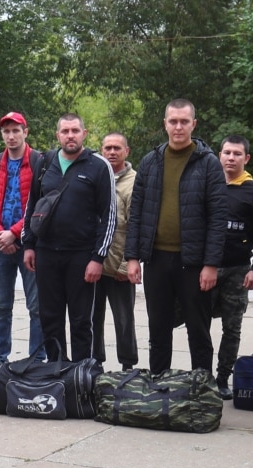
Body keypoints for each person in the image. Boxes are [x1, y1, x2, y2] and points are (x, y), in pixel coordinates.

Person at [125, 98, 227, 374]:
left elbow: (218, 218)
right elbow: (137, 213)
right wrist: (132, 257)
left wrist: (211, 264)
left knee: (198, 331)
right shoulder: (150, 162)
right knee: (158, 330)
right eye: (173, 121)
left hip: (194, 263)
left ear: (194, 124)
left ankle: (201, 390)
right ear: (165, 124)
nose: (178, 127)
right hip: (157, 260)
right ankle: (158, 388)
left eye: (184, 121)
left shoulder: (208, 164)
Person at [23, 113, 115, 362]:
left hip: (82, 256)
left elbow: (109, 216)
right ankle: (57, 371)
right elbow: (32, 205)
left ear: (84, 134)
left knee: (81, 320)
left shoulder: (98, 165)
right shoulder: (44, 162)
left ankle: (81, 375)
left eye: (75, 130)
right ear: (58, 135)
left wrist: (98, 257)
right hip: (46, 253)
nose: (70, 135)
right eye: (65, 131)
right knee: (50, 318)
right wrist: (29, 244)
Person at [0, 112, 45, 361]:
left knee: (37, 308)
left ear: (25, 132)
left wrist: (15, 233)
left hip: (29, 246)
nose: (11, 136)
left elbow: (41, 205)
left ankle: (37, 360)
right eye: (6, 131)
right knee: (2, 307)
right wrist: (0, 234)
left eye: (15, 130)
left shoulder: (40, 161)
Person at [214, 135, 253, 399]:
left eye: (237, 154)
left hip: (237, 270)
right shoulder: (210, 185)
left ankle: (222, 377)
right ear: (220, 155)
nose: (231, 158)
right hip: (207, 268)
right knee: (197, 324)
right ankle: (200, 375)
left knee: (231, 327)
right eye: (227, 152)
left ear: (246, 158)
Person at [92, 132, 138, 370]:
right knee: (93, 318)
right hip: (95, 264)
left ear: (126, 151)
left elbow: (135, 226)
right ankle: (95, 362)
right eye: (107, 148)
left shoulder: (135, 182)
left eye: (117, 148)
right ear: (101, 150)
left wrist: (125, 264)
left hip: (120, 265)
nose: (112, 152)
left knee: (124, 319)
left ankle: (128, 365)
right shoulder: (95, 175)